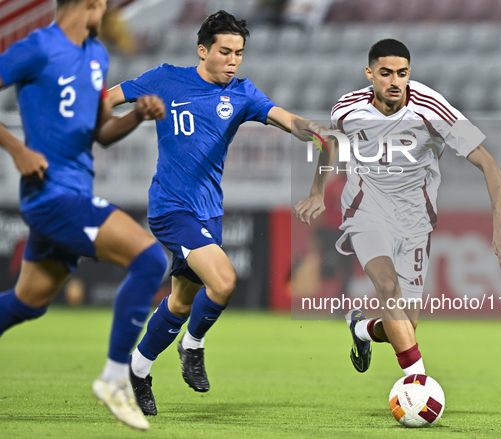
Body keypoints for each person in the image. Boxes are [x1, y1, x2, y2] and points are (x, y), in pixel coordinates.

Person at [108, 10, 327, 416]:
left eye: (239, 53)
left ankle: (136, 371)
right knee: (223, 282)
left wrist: (311, 128)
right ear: (202, 50)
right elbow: (110, 98)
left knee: (179, 302)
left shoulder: (242, 93)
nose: (233, 60)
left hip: (208, 213)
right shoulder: (165, 78)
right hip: (171, 209)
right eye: (225, 51)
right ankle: (192, 345)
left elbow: (285, 119)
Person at [294, 39, 501, 378]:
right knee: (387, 287)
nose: (394, 81)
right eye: (386, 73)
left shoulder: (432, 109)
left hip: (415, 222)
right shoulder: (346, 109)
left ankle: (362, 330)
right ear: (370, 74)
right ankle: (418, 383)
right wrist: (317, 191)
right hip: (366, 212)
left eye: (402, 74)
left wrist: (500, 225)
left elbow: (490, 165)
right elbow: (330, 142)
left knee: (406, 325)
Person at [0, 0, 167, 431]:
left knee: (28, 303)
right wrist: (18, 149)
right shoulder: (36, 47)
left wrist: (136, 117)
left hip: (74, 191)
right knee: (149, 260)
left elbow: (102, 133)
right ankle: (115, 378)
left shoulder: (96, 54)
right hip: (50, 196)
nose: (108, 11)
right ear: (89, 3)